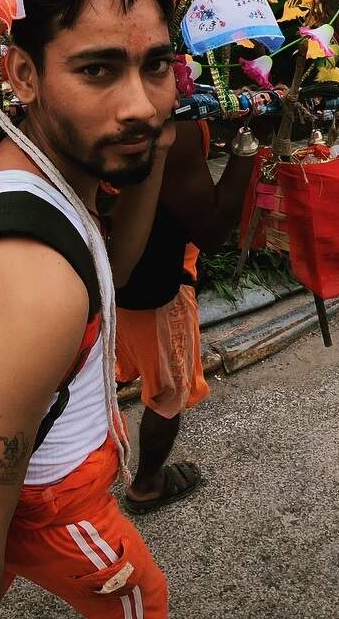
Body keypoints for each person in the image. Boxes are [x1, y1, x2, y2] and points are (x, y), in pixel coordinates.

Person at [0, 0, 178, 618]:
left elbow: (107, 274)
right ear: (24, 75)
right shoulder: (31, 283)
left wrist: (152, 156)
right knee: (140, 603)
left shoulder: (32, 161)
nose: (141, 106)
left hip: (34, 474)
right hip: (48, 498)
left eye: (157, 66)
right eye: (98, 71)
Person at [106, 114, 258, 515]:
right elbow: (211, 231)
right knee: (169, 392)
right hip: (155, 286)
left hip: (96, 278)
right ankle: (146, 485)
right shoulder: (174, 127)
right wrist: (245, 146)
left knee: (101, 377)